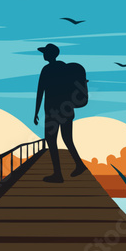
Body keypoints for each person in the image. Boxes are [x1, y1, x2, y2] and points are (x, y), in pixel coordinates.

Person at [34, 43, 88, 183]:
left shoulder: (46, 69)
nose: (43, 55)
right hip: (67, 109)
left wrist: (36, 112)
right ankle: (79, 164)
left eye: (45, 53)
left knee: (51, 140)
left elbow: (40, 92)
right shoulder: (65, 68)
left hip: (52, 111)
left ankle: (58, 174)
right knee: (67, 138)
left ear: (50, 54)